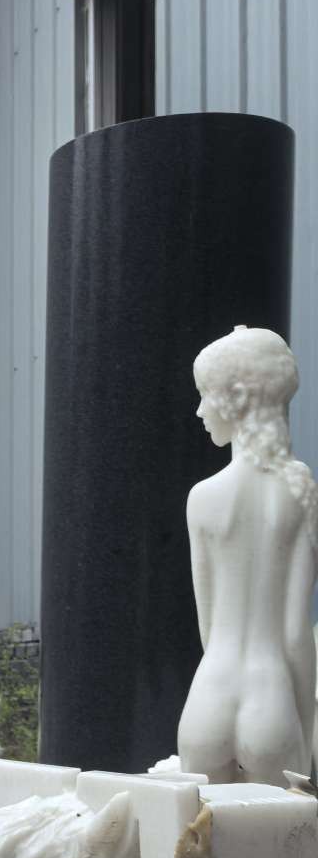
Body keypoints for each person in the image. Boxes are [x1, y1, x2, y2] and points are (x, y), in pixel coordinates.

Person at [178, 326, 318, 786]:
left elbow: (208, 627)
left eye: (205, 395)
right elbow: (295, 634)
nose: (199, 411)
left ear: (237, 397)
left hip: (207, 700)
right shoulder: (299, 491)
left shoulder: (202, 497)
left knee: (199, 833)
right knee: (287, 833)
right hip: (270, 702)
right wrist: (306, 730)